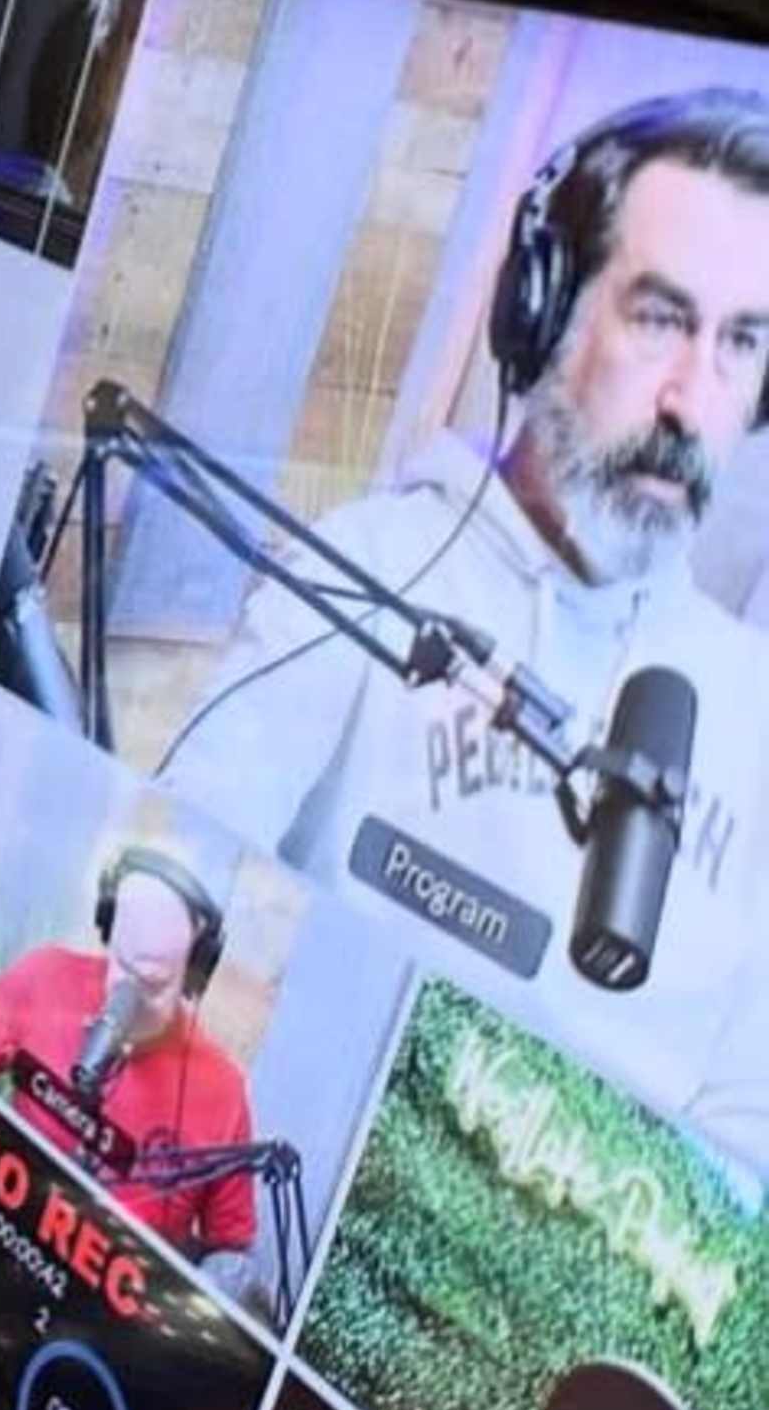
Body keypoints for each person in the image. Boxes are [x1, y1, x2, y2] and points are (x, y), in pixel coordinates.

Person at [156, 89, 769, 1166]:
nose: (692, 400)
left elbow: (745, 1143)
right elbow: (165, 890)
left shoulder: (754, 715)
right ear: (540, 312)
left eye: (742, 343)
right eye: (663, 318)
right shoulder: (373, 572)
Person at [0, 847, 265, 1302]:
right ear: (107, 927)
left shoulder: (222, 1090)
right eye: (122, 966)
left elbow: (231, 1250)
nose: (129, 995)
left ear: (195, 971)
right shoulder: (46, 976)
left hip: (106, 1309)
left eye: (154, 981)